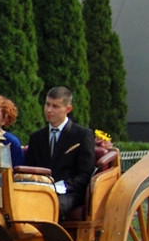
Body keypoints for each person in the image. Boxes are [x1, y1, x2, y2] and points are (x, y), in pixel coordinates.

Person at [24, 86, 96, 219]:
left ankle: (53, 239)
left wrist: (61, 187)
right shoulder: (36, 137)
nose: (49, 110)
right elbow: (30, 169)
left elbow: (86, 173)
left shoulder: (82, 135)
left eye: (55, 106)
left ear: (68, 109)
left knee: (54, 205)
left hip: (70, 192)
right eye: (47, 104)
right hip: (41, 190)